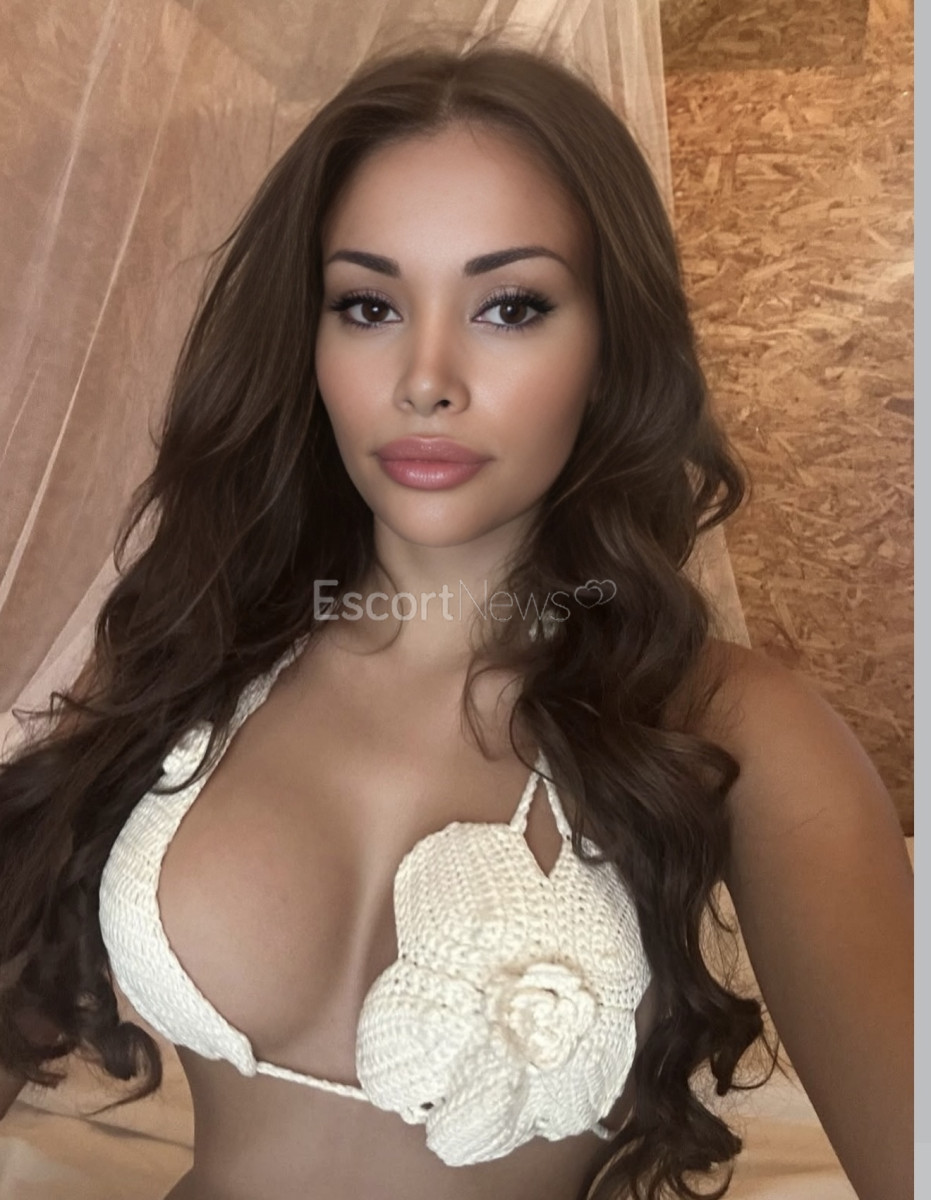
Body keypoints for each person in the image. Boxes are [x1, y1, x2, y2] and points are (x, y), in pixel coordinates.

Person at [0, 40, 912, 1200]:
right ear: (309, 339)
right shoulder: (191, 652)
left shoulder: (739, 727)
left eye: (510, 306)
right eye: (369, 305)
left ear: (610, 347)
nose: (425, 378)